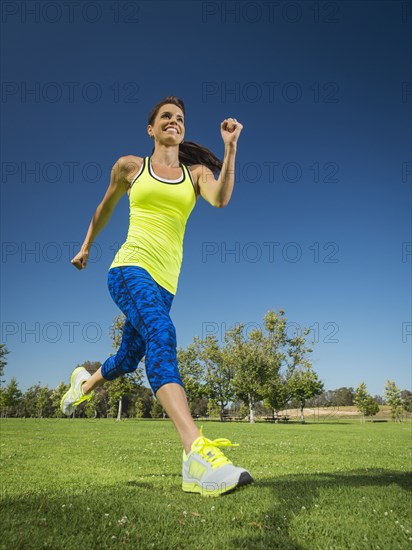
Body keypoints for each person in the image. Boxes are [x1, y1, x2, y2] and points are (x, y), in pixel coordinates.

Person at [60, 96, 253, 497]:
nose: (173, 122)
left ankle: (82, 384)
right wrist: (86, 246)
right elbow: (104, 207)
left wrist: (230, 149)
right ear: (151, 128)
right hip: (129, 270)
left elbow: (220, 198)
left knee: (130, 356)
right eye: (166, 116)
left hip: (165, 285)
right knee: (162, 335)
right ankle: (195, 455)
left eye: (179, 119)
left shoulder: (195, 173)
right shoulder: (131, 166)